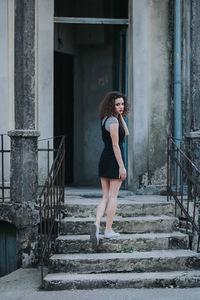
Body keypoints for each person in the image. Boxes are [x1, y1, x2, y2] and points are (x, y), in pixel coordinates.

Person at [90, 91, 129, 247]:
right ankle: (108, 230)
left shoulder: (106, 119)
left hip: (104, 159)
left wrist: (120, 116)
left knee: (105, 196)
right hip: (113, 159)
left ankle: (97, 224)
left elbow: (126, 132)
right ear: (111, 105)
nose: (121, 107)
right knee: (113, 196)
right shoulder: (112, 122)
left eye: (122, 104)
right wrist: (121, 166)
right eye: (117, 104)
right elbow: (116, 145)